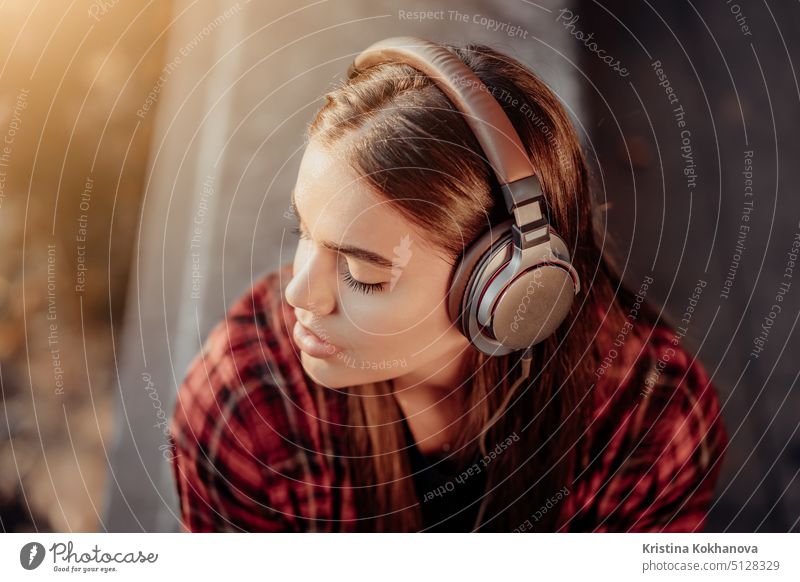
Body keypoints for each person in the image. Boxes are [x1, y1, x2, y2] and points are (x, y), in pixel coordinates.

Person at [168, 39, 727, 533]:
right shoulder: (242, 409)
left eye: (364, 274)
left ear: (508, 289)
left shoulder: (651, 419)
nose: (299, 294)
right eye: (304, 232)